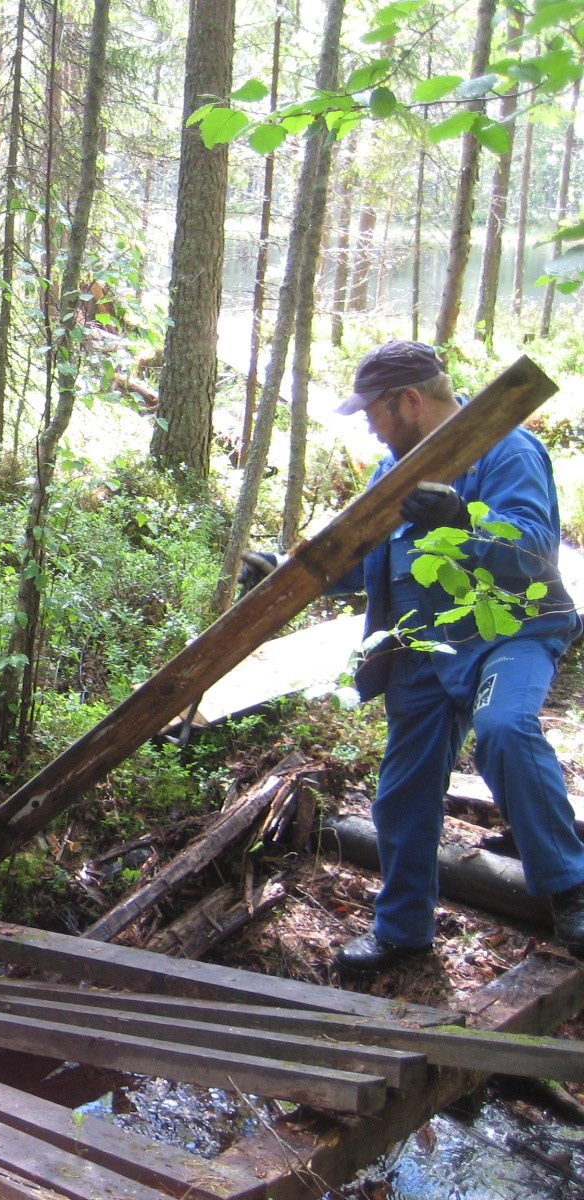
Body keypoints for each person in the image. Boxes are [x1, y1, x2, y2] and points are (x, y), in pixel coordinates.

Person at [244, 340, 584, 975]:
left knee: (505, 730)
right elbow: (361, 558)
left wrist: (462, 516)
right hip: (423, 649)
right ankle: (403, 930)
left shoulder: (507, 450)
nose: (370, 427)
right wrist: (278, 568)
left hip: (510, 633)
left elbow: (537, 548)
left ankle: (571, 889)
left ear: (410, 400)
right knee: (402, 791)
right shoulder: (390, 473)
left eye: (373, 411)